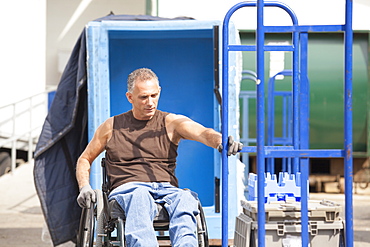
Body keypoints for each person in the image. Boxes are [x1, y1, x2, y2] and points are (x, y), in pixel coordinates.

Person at [76, 68, 242, 247]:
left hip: (166, 188)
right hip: (129, 188)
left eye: (154, 95)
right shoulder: (111, 126)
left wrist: (221, 141)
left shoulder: (171, 122)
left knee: (186, 199)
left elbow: (203, 133)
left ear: (159, 92)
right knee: (140, 196)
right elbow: (84, 159)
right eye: (143, 97)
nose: (150, 102)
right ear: (130, 97)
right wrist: (84, 187)